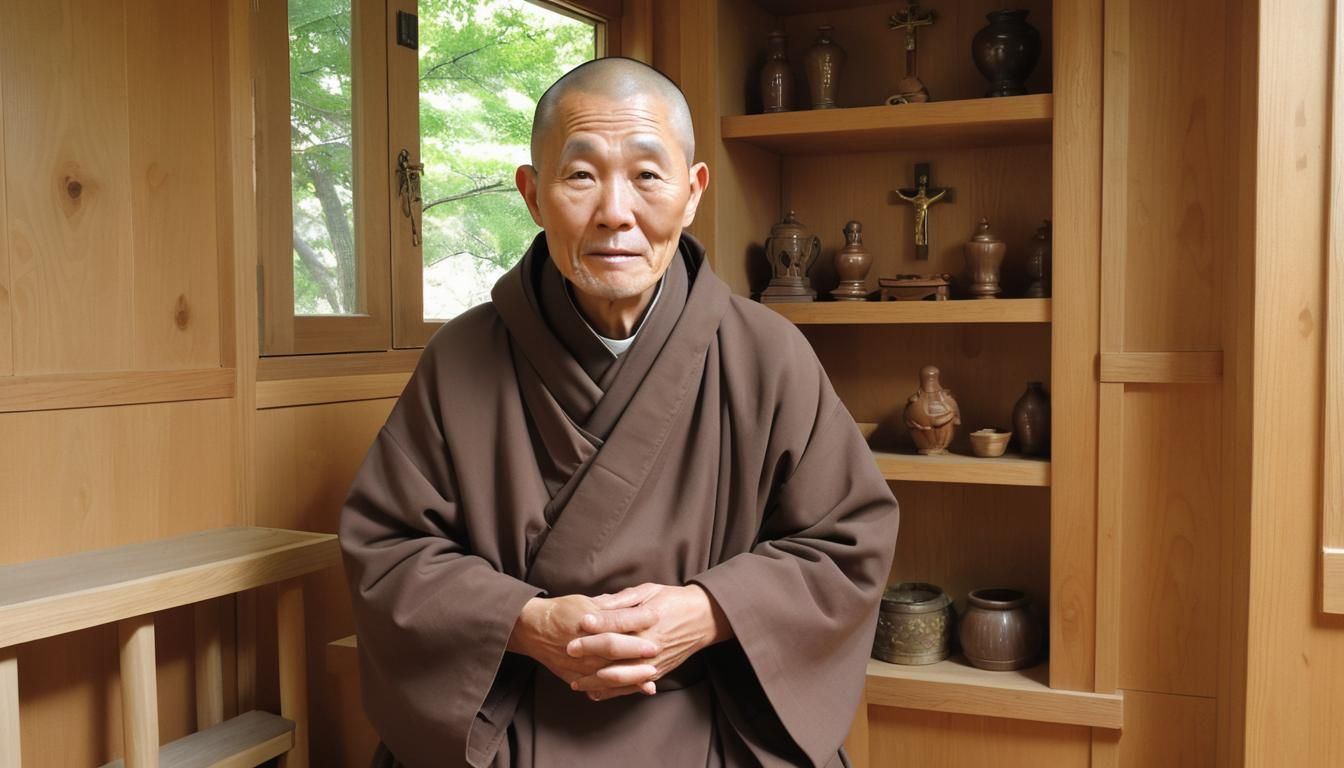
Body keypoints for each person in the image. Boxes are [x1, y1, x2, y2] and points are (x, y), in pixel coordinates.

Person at [339, 57, 899, 768]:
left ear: (692, 192)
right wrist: (523, 621)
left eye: (647, 175)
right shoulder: (461, 359)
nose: (614, 212)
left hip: (714, 720)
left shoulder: (768, 354)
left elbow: (849, 541)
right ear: (532, 194)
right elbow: (388, 550)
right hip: (514, 720)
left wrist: (710, 611)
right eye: (580, 175)